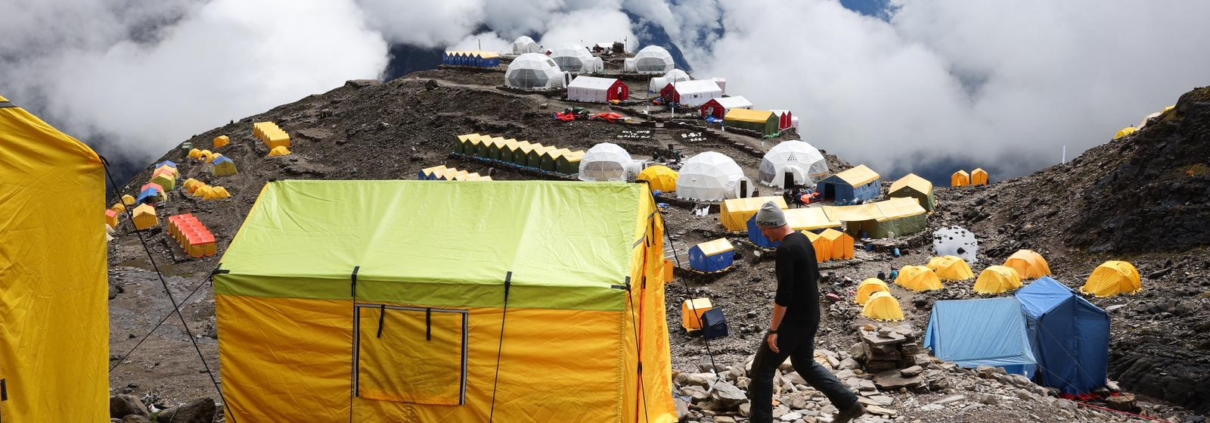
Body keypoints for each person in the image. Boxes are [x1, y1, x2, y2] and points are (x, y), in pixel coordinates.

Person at [748, 202, 864, 423]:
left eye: (763, 229)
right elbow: (813, 277)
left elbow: (784, 295)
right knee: (804, 363)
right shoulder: (803, 240)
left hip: (793, 321)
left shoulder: (785, 250)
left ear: (772, 225)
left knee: (761, 370)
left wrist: (774, 330)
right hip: (811, 316)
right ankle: (850, 404)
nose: (763, 233)